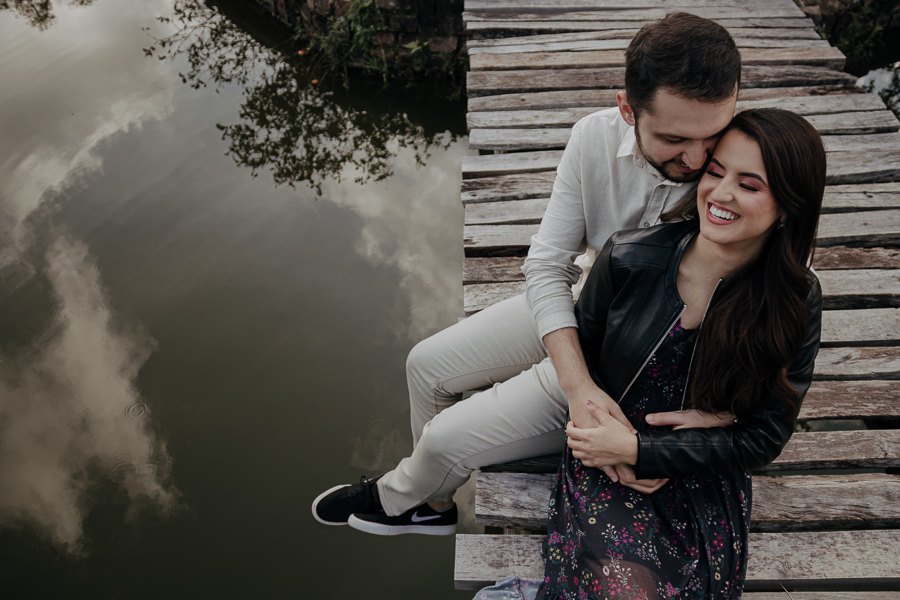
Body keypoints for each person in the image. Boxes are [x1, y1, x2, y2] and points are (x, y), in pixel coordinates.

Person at [312, 12, 743, 536]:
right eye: (676, 138)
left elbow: (783, 301)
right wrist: (576, 382)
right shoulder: (593, 139)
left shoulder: (749, 168)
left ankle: (404, 490)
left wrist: (716, 418)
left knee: (448, 437)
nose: (699, 158)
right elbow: (546, 264)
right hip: (587, 310)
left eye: (713, 135)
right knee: (424, 366)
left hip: (644, 363)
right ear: (628, 111)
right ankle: (434, 499)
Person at [478, 107, 826, 599]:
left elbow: (766, 435)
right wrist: (618, 448)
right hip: (605, 452)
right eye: (715, 171)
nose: (721, 193)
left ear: (789, 206)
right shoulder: (627, 256)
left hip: (702, 468)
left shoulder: (795, 298)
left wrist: (649, 451)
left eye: (750, 185)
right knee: (624, 590)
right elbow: (586, 366)